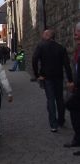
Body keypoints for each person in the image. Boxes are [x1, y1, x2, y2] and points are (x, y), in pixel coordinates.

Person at [32, 28, 74, 132]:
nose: (42, 35)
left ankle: (53, 124)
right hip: (58, 76)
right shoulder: (60, 48)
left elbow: (34, 59)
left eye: (44, 34)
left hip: (47, 77)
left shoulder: (41, 46)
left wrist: (37, 74)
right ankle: (61, 120)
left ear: (48, 36)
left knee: (50, 99)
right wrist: (70, 79)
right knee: (59, 99)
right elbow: (67, 65)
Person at [67, 22, 80, 153]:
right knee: (73, 109)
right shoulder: (77, 49)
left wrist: (74, 84)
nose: (75, 35)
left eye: (77, 32)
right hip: (76, 87)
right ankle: (77, 138)